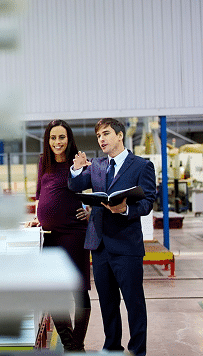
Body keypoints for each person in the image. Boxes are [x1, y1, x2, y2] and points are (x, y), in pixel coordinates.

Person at [68, 118, 156, 356]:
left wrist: (126, 209)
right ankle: (112, 347)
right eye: (98, 136)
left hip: (127, 245)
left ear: (120, 136)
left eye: (106, 134)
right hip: (99, 245)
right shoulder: (96, 166)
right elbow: (75, 186)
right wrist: (76, 169)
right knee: (107, 303)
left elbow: (148, 201)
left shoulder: (141, 166)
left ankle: (137, 349)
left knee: (133, 302)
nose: (102, 139)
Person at [26, 119, 91, 352]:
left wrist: (91, 210)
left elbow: (99, 189)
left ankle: (77, 346)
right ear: (48, 140)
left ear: (69, 138)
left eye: (61, 137)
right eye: (53, 138)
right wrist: (38, 217)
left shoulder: (78, 163)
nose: (57, 142)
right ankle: (69, 343)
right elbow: (40, 195)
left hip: (74, 234)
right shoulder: (44, 162)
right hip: (49, 235)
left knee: (78, 291)